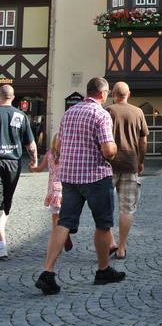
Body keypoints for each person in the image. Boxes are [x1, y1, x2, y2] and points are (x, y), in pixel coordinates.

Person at [35, 77, 125, 295]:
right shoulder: (101, 114)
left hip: (69, 176)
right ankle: (103, 270)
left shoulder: (69, 113)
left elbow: (61, 143)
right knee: (103, 224)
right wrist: (114, 149)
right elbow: (107, 150)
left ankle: (47, 272)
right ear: (103, 94)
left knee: (63, 222)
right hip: (95, 176)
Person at [106, 81, 149, 260]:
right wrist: (140, 161)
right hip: (130, 164)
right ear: (128, 94)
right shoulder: (138, 112)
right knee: (127, 209)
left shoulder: (108, 111)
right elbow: (143, 141)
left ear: (112, 94)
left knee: (104, 207)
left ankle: (110, 242)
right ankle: (122, 247)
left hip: (108, 165)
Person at [0, 83, 37, 260]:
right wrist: (35, 160)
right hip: (13, 164)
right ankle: (1, 244)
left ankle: (1, 243)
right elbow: (30, 144)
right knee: (5, 204)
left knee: (2, 207)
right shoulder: (20, 115)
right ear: (13, 97)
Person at [30, 133, 73, 252]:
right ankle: (65, 232)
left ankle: (57, 244)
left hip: (53, 190)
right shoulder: (67, 154)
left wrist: (33, 167)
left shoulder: (49, 154)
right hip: (66, 189)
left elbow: (40, 169)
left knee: (55, 219)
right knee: (65, 216)